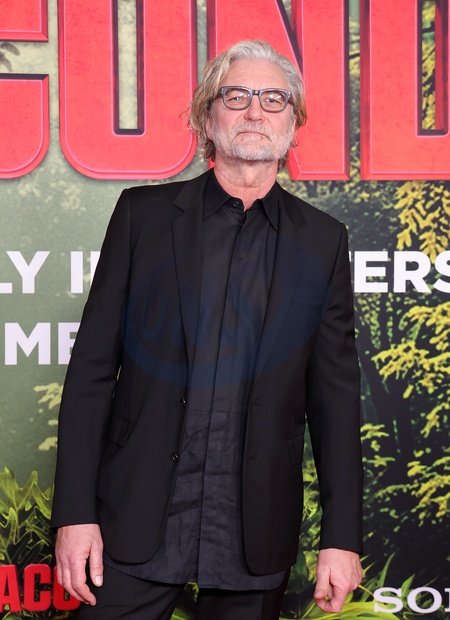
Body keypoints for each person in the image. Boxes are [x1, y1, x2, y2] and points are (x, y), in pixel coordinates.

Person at [51, 39, 363, 620]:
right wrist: (74, 515)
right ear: (206, 114)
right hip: (130, 519)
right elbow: (91, 372)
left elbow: (335, 403)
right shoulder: (142, 217)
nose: (255, 111)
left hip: (253, 531)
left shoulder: (323, 241)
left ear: (294, 122)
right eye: (236, 95)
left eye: (274, 99)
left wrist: (341, 538)